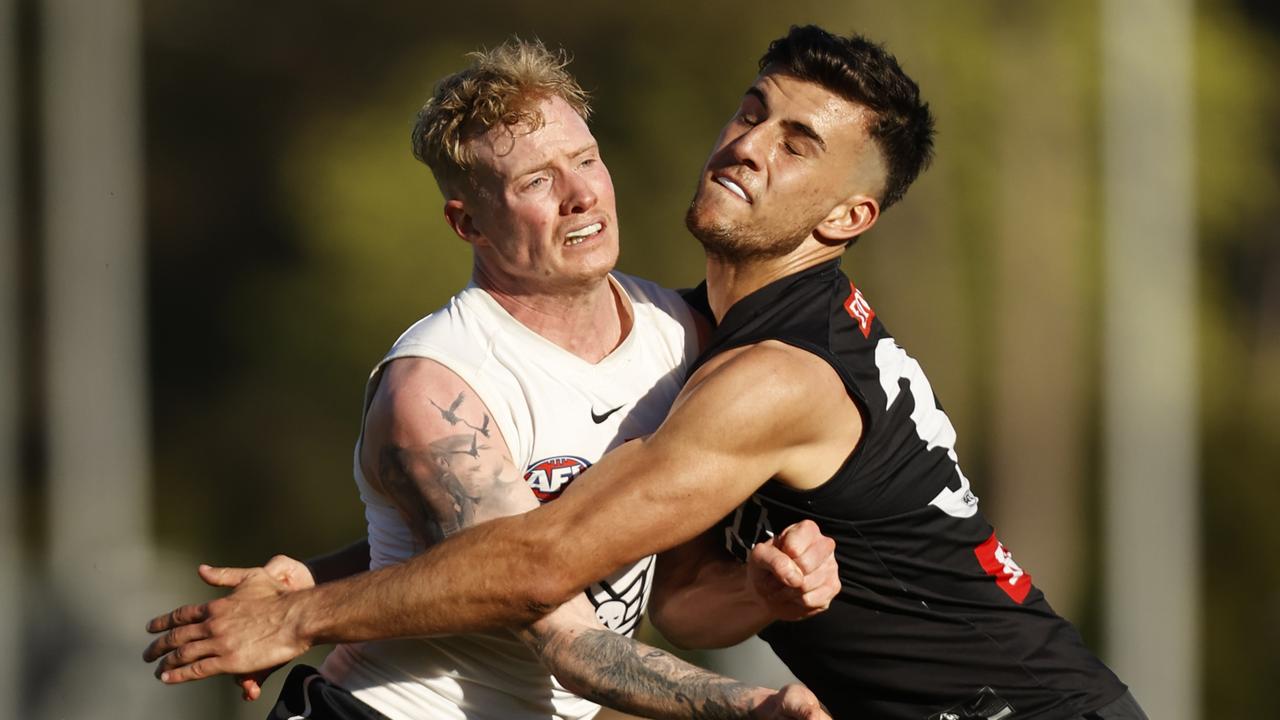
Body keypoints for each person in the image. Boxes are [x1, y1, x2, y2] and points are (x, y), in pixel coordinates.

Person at [146, 26, 1148, 719]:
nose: (745, 147)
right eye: (753, 110)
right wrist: (763, 599)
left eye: (796, 145)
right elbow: (618, 567)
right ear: (468, 219)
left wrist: (299, 614)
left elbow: (543, 561)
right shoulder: (691, 335)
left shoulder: (762, 375)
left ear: (847, 220)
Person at [150, 38, 838, 720]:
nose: (579, 196)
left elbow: (678, 605)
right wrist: (755, 708)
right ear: (468, 222)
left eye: (585, 160)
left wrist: (766, 592)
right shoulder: (436, 388)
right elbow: (558, 629)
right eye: (536, 181)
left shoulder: (681, 338)